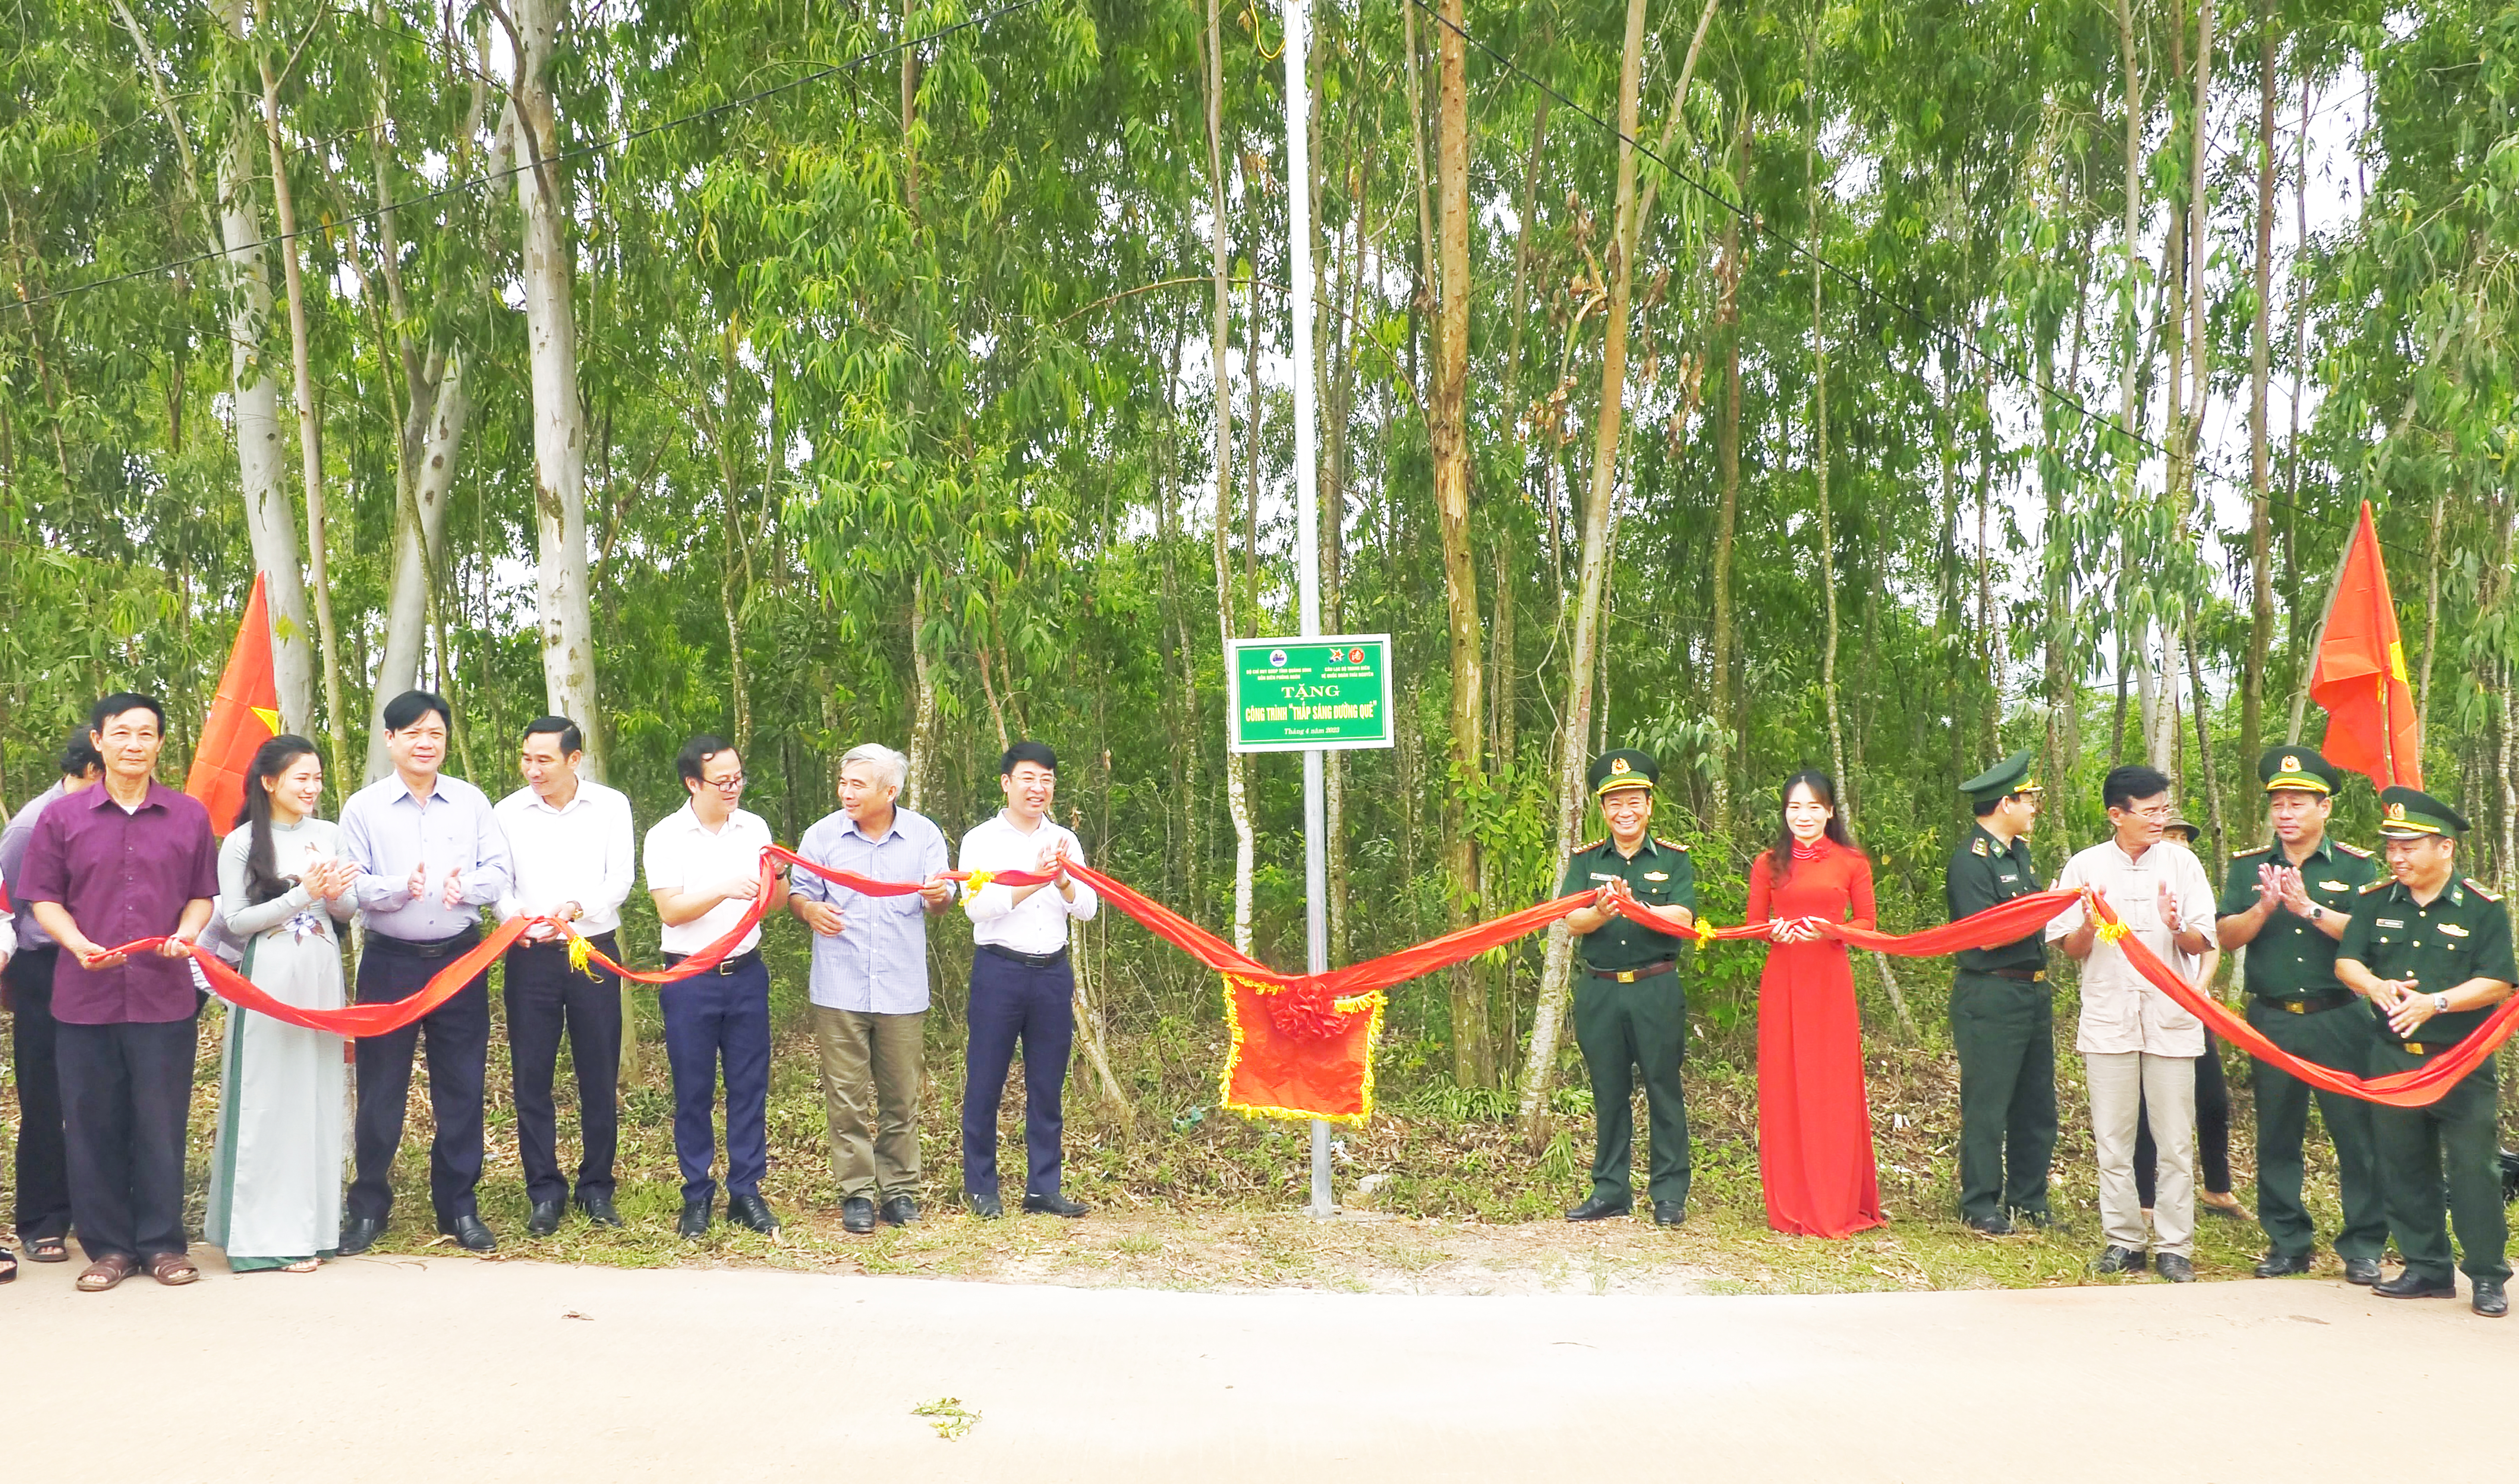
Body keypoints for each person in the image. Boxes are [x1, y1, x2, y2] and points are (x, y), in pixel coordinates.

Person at [20, 693, 218, 1291]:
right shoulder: (62, 817)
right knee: (91, 1122)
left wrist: (187, 934)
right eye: (122, 733)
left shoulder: (188, 815)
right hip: (84, 996)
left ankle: (161, 1244)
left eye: (146, 734)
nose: (135, 744)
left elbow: (202, 893)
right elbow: (42, 896)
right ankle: (108, 1248)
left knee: (160, 1121)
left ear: (161, 744)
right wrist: (77, 941)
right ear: (99, 741)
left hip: (163, 995)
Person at [338, 690, 515, 1256]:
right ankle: (368, 1207)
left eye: (435, 733)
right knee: (380, 1089)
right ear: (390, 740)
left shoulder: (471, 801)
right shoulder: (363, 807)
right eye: (413, 733)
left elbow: (499, 868)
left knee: (461, 1086)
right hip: (390, 963)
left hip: (460, 958)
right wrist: (394, 889)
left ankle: (459, 1205)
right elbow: (348, 885)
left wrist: (475, 888)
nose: (425, 743)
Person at [2335, 786, 2515, 1318]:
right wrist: (2374, 986)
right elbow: (2347, 961)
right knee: (2402, 1163)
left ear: (2444, 848)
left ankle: (2485, 1273)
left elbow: (2498, 981)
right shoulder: (2372, 901)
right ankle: (2425, 1266)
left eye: (2409, 846)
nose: (2396, 856)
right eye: (2391, 846)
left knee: (2472, 1168)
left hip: (2459, 1059)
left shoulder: (2481, 908)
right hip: (2392, 1057)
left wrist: (2434, 1002)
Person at [2214, 748, 2385, 1283]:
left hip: (2339, 1016)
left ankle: (2362, 1244)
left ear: (2323, 808)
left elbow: (2372, 937)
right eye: (2277, 804)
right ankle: (2287, 1241)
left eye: (2296, 803)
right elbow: (2224, 936)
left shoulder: (2356, 866)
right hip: (2273, 1019)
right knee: (2277, 1133)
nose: (2284, 813)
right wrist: (2264, 906)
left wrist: (2308, 907)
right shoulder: (2248, 866)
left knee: (2355, 1134)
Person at [2046, 763, 2216, 1282]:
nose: (2158, 819)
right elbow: (2068, 948)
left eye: (2163, 809)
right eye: (2147, 811)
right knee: (2113, 1137)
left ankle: (2174, 1245)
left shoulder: (2182, 864)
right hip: (2108, 1015)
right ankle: (2123, 1240)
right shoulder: (2083, 866)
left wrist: (2175, 925)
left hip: (2170, 1017)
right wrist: (2087, 928)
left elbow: (2201, 942)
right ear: (2115, 814)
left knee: (2173, 1139)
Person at [205, 735, 355, 1272]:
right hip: (268, 978)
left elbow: (345, 910)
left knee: (315, 1094)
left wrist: (335, 891)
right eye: (302, 778)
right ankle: (264, 1234)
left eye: (317, 778)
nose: (313, 788)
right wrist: (301, 893)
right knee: (269, 1098)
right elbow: (237, 920)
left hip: (320, 973)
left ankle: (314, 1227)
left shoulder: (329, 833)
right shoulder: (243, 842)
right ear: (270, 782)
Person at [790, 743, 953, 1234]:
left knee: (901, 1097)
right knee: (846, 1098)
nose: (846, 793)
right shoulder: (821, 836)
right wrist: (809, 910)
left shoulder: (924, 836)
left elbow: (941, 902)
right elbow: (799, 893)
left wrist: (939, 897)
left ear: (891, 790)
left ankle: (899, 1190)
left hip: (901, 989)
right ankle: (856, 1193)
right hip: (839, 989)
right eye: (843, 783)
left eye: (857, 785)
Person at [493, 715, 635, 1236]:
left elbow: (620, 877)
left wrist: (580, 905)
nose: (533, 769)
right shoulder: (506, 812)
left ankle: (597, 1187)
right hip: (531, 953)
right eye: (527, 758)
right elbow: (498, 883)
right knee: (532, 1074)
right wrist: (516, 919)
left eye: (544, 759)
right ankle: (544, 1191)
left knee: (598, 1072)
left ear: (574, 759)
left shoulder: (610, 805)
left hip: (591, 949)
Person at [645, 734, 787, 1239]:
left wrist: (779, 877)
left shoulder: (755, 828)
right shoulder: (666, 836)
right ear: (692, 783)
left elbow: (771, 903)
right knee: (694, 1089)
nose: (733, 788)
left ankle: (746, 1191)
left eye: (738, 778)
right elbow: (671, 910)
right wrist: (724, 886)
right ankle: (696, 1194)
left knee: (749, 1087)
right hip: (690, 977)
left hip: (746, 973)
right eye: (722, 781)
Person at [959, 741, 1100, 1219]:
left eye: (1047, 780)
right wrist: (1038, 879)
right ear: (1006, 783)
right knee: (985, 1082)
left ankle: (1043, 1189)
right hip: (999, 971)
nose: (1038, 789)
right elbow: (977, 907)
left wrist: (1062, 881)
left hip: (1052, 973)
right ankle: (981, 1187)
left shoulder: (1065, 839)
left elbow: (1087, 909)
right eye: (1028, 779)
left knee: (1047, 1086)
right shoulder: (981, 840)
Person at [1556, 749, 1698, 1228]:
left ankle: (1669, 1194)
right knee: (1608, 1092)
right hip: (1600, 991)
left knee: (1663, 1089)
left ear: (1649, 805)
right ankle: (1611, 1191)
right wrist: (1603, 911)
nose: (1625, 811)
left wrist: (1636, 906)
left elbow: (1682, 919)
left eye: (1633, 801)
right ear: (1603, 810)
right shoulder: (1585, 861)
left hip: (1654, 989)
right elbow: (1572, 920)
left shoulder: (1674, 861)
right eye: (1614, 803)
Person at [1745, 771, 1883, 1238]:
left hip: (1829, 981)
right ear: (1784, 813)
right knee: (1785, 1084)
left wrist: (1833, 930)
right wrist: (1773, 931)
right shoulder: (1768, 862)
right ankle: (1791, 1202)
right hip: (1783, 979)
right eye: (1793, 809)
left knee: (1831, 1087)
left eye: (1812, 808)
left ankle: (1835, 1200)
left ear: (1829, 812)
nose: (1802, 817)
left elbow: (1866, 921)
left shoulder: (1851, 861)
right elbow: (1753, 924)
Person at [0, 727, 104, 1268]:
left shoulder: (114, 817)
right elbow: (15, 911)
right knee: (46, 1100)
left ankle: (104, 1216)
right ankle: (43, 1219)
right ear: (89, 768)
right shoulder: (30, 825)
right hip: (46, 969)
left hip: (106, 966)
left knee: (102, 1096)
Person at [1943, 749, 2052, 1236]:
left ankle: (2028, 1200)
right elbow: (1983, 934)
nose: (2034, 808)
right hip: (1989, 995)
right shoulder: (1970, 861)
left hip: (2032, 992)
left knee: (2035, 1104)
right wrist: (2047, 908)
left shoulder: (2018, 854)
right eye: (2029, 799)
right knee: (1988, 1104)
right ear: (2005, 803)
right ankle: (1980, 1203)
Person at [2133, 813, 2245, 1225]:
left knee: (2212, 1100)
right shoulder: (2136, 886)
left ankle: (2217, 1188)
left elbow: (2210, 944)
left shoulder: (2193, 886)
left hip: (2191, 1009)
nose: (2178, 843)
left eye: (2183, 837)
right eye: (2170, 835)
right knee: (2147, 1107)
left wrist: (2199, 985)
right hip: (2144, 1011)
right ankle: (2144, 1200)